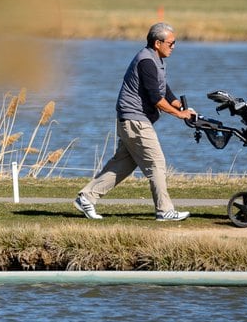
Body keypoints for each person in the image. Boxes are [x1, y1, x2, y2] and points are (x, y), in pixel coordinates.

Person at [73, 22, 194, 222]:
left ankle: (86, 198)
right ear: (157, 43)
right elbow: (155, 98)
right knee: (156, 163)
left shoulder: (156, 59)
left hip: (132, 119)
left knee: (122, 164)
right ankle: (164, 211)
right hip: (135, 120)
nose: (173, 47)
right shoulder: (146, 61)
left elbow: (163, 88)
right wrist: (179, 114)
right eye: (171, 43)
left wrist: (179, 105)